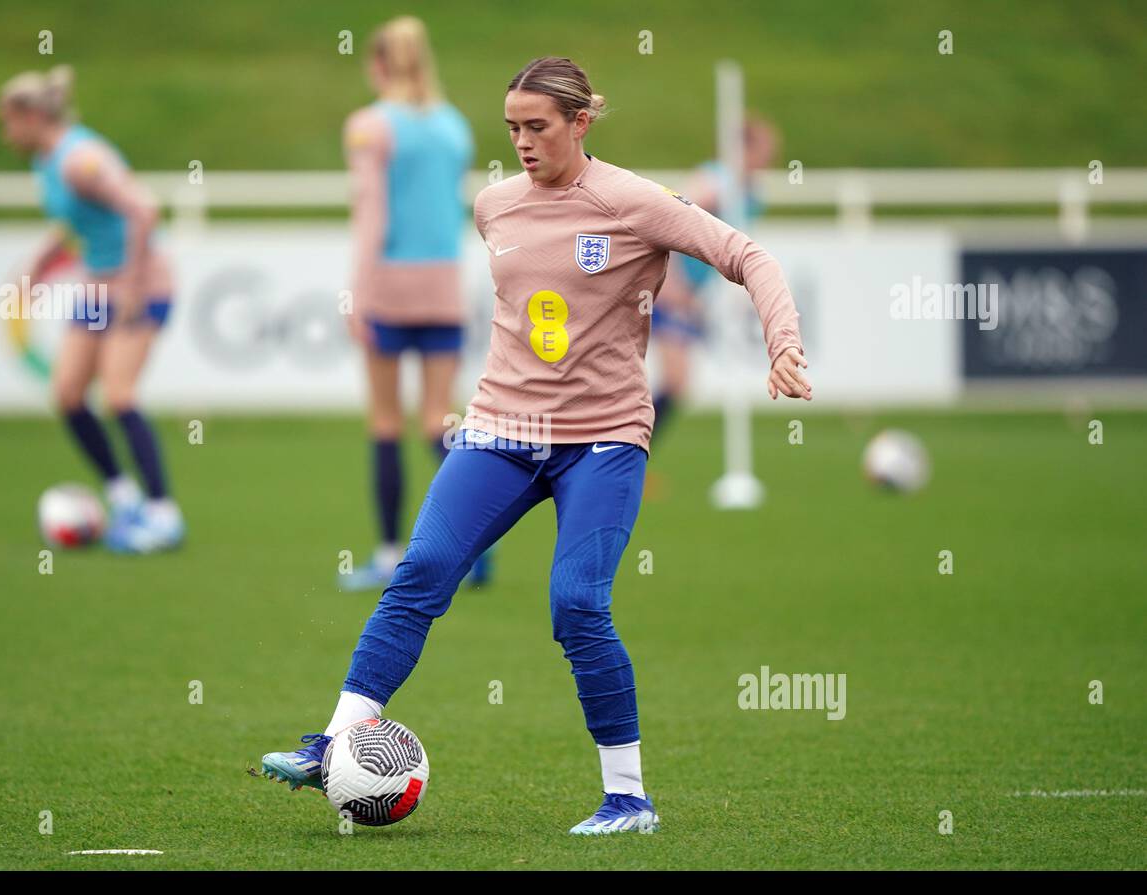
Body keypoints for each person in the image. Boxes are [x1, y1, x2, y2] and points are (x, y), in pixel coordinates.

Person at [259, 57, 810, 834]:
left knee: (577, 604)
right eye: (512, 127)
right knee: (420, 571)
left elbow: (748, 256)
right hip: (498, 430)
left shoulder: (634, 201)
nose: (521, 141)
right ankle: (333, 743)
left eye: (538, 127)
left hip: (604, 440)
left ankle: (629, 798)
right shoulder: (494, 207)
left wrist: (782, 343)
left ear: (581, 122)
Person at [0, 65, 183, 553]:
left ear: (33, 116)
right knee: (68, 393)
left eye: (8, 122)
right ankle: (125, 499)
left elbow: (142, 210)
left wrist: (131, 285)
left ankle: (164, 514)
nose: (5, 134)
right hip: (98, 287)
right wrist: (40, 263)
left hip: (140, 284)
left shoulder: (80, 160)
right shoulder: (46, 159)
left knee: (119, 396)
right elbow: (80, 220)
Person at [338, 17, 487, 590]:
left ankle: (387, 552)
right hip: (444, 282)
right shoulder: (453, 126)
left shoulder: (370, 126)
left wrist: (358, 287)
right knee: (440, 420)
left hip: (392, 285)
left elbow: (372, 213)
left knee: (385, 421)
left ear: (377, 64)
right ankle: (472, 542)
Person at [649, 118, 781, 449]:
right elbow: (671, 221)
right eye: (764, 151)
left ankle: (628, 455)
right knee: (673, 380)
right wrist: (673, 280)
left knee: (676, 384)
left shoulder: (751, 195)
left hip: (686, 293)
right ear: (744, 149)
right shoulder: (714, 181)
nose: (769, 160)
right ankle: (624, 454)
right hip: (662, 285)